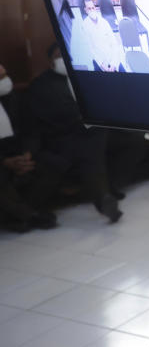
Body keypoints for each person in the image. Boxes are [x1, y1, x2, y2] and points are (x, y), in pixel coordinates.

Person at [26, 44, 121, 223]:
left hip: (88, 133)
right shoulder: (41, 85)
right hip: (60, 136)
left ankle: (105, 194)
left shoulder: (82, 76)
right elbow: (53, 117)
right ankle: (103, 197)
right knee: (89, 151)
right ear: (50, 61)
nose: (64, 59)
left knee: (98, 140)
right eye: (58, 56)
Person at [0, 63, 58, 232]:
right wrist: (6, 162)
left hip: (20, 153)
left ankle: (16, 215)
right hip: (3, 160)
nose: (5, 81)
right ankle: (29, 215)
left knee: (55, 164)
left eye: (5, 76)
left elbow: (31, 130)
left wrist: (27, 153)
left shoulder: (15, 98)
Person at [80, 0, 123, 72]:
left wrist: (113, 64)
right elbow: (91, 49)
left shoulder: (104, 22)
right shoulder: (85, 26)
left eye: (93, 8)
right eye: (89, 8)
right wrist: (104, 67)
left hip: (112, 58)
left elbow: (114, 43)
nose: (92, 10)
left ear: (95, 8)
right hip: (100, 61)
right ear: (85, 10)